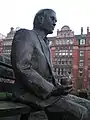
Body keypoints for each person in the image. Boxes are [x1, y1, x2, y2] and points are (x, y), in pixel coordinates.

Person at [11, 9, 90, 120]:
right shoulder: (25, 34)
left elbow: (48, 73)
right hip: (27, 93)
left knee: (88, 106)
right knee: (81, 112)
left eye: (56, 20)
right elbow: (22, 66)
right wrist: (51, 89)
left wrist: (59, 86)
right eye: (52, 18)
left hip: (44, 93)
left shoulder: (46, 43)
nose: (55, 22)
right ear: (40, 19)